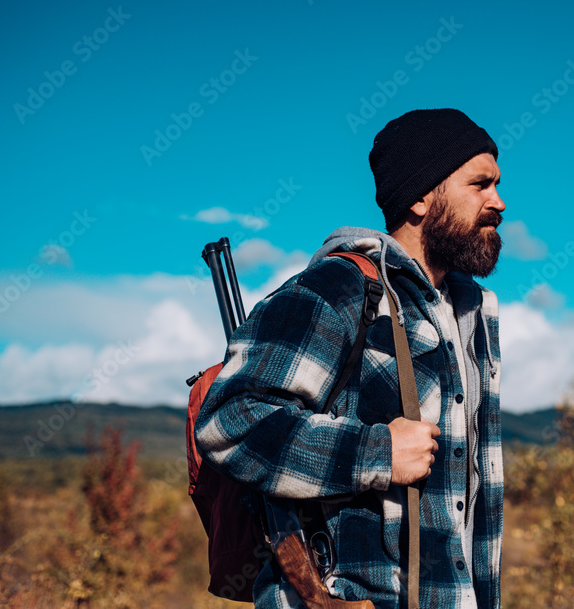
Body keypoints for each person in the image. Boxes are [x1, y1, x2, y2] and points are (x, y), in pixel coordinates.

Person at [195, 108, 506, 609]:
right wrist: (378, 452)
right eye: (480, 184)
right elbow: (231, 421)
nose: (499, 201)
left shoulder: (469, 316)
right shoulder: (338, 289)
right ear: (422, 197)